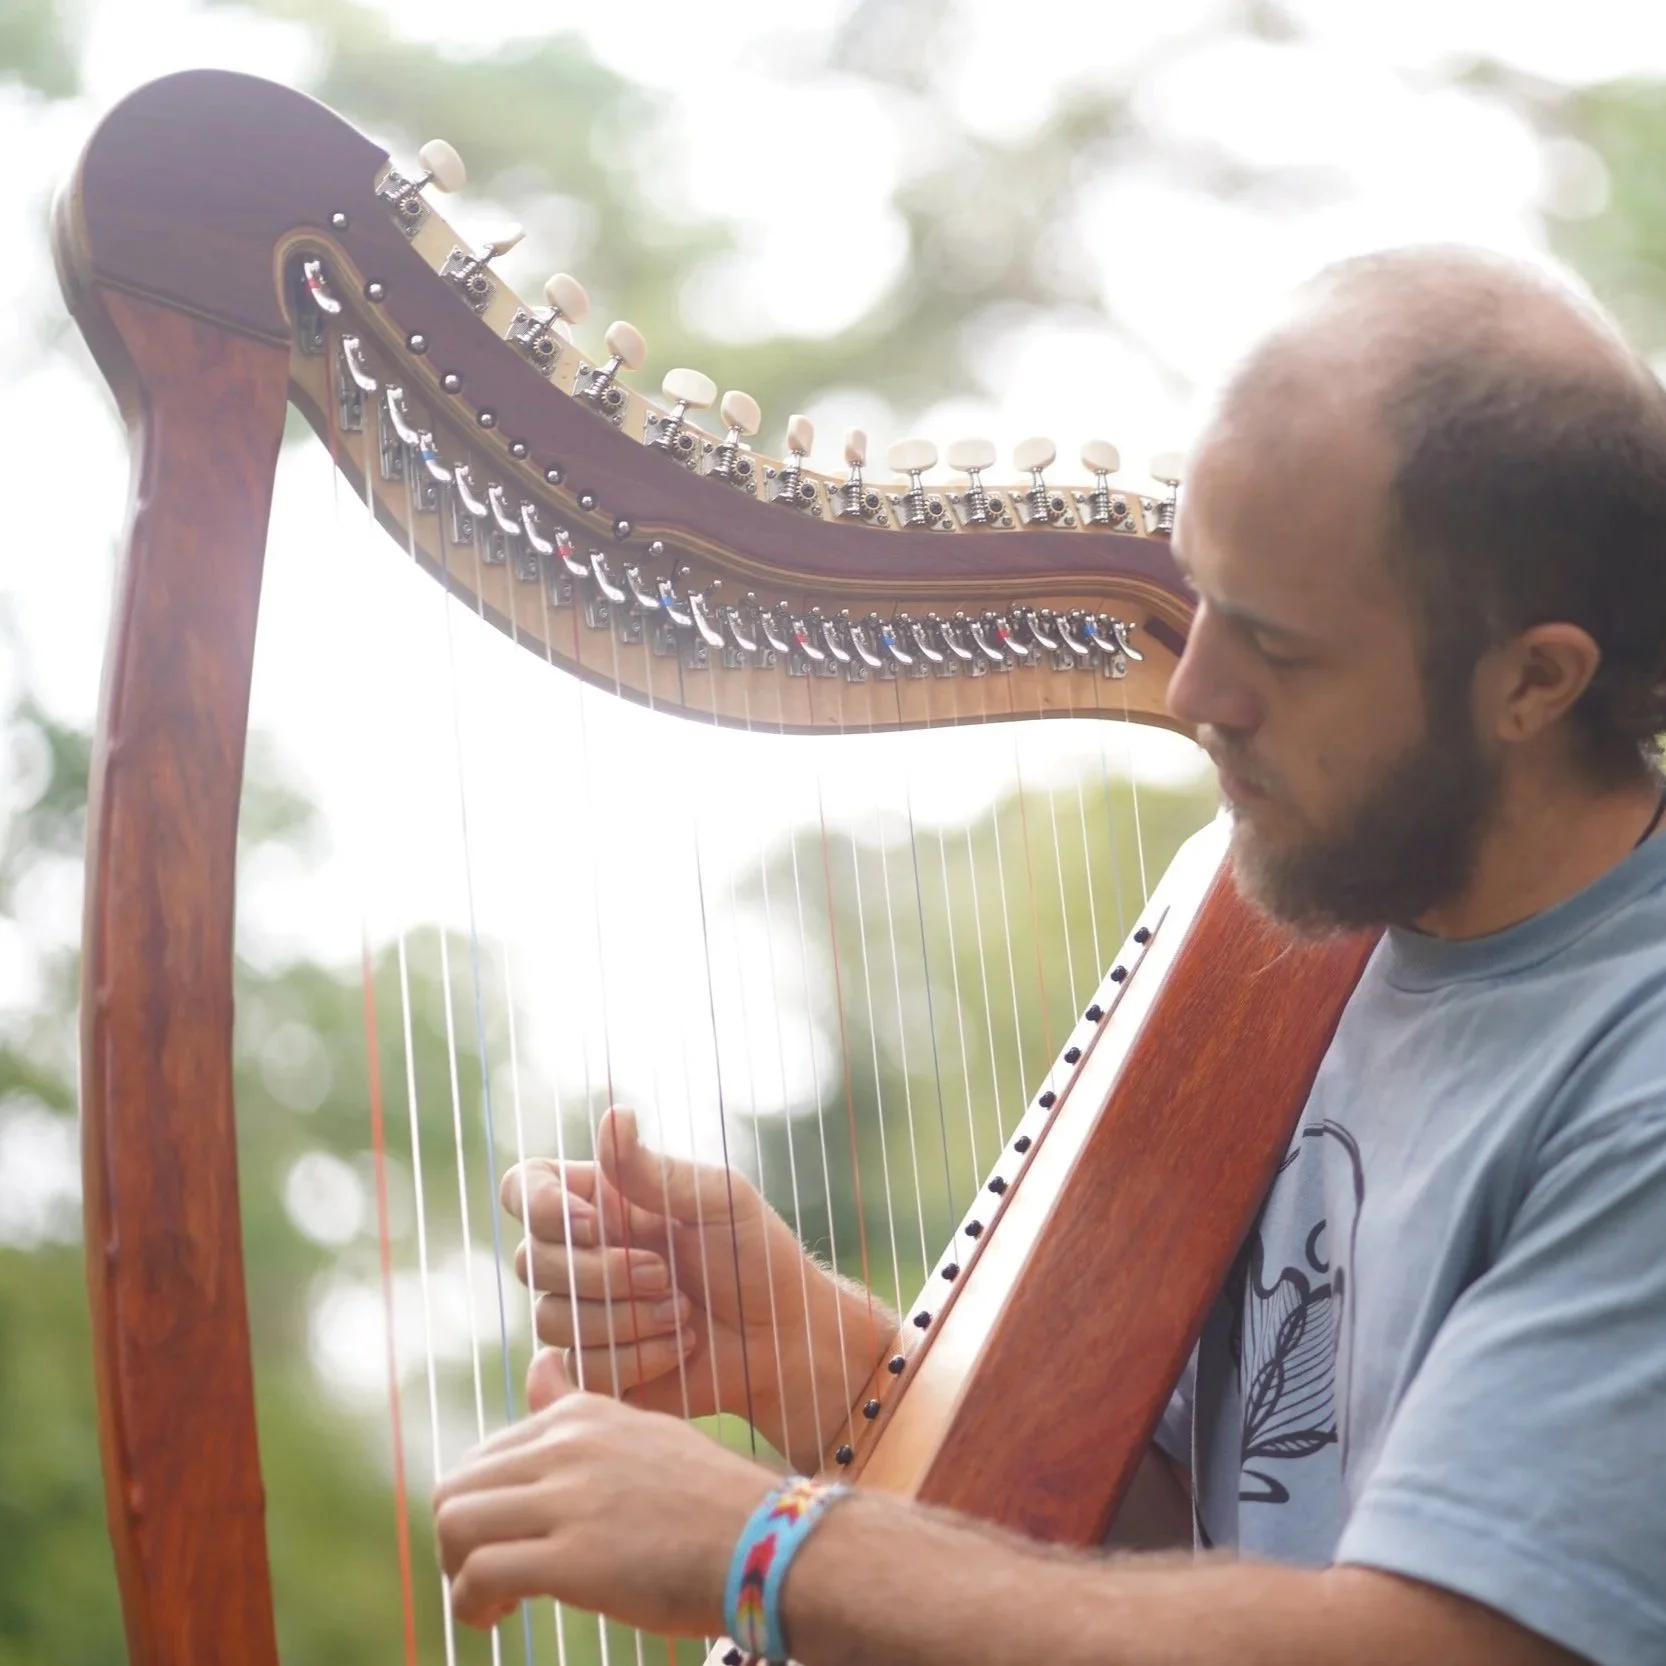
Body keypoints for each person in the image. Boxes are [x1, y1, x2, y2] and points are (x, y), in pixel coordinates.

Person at [431, 246, 1666, 1666]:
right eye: (1197, 598)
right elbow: (1199, 1545)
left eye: (1273, 642)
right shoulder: (1321, 929)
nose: (1196, 687)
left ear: (1533, 678)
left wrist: (768, 1545)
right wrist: (810, 1353)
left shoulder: (1629, 1073)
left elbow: (1430, 1642)